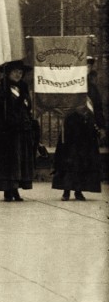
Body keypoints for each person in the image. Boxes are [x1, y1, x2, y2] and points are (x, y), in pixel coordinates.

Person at [52, 56, 105, 201]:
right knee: (68, 159)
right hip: (71, 129)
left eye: (89, 67)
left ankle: (79, 190)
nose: (86, 69)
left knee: (84, 160)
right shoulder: (70, 85)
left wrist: (101, 127)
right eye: (84, 66)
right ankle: (66, 190)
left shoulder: (92, 88)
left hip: (86, 129)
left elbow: (98, 109)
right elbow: (59, 104)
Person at [0, 59, 36, 201]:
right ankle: (7, 190)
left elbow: (27, 107)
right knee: (7, 162)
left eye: (20, 72)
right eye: (15, 72)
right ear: (8, 73)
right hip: (5, 131)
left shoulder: (23, 87)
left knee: (19, 161)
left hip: (21, 130)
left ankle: (16, 188)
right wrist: (2, 96)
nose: (18, 75)